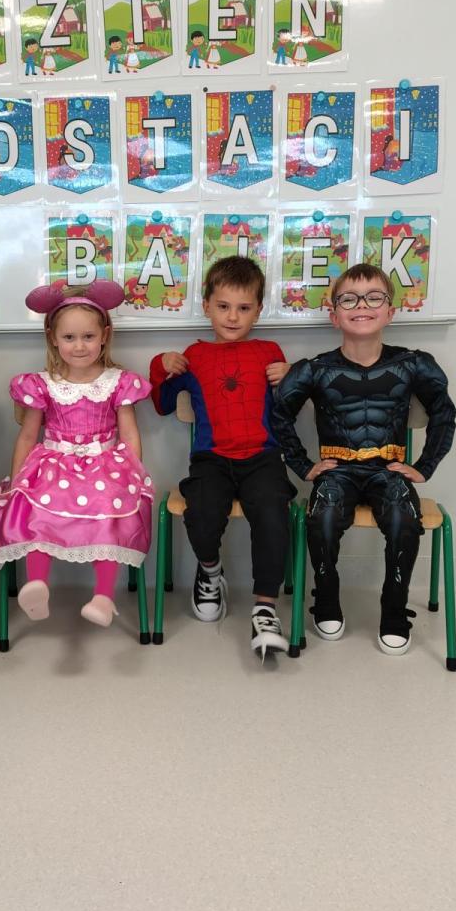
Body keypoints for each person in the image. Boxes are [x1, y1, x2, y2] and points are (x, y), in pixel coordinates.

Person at [272, 263, 456, 654]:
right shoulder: (314, 369)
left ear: (390, 311)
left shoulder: (413, 363)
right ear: (333, 314)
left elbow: (444, 411)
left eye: (374, 297)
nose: (362, 306)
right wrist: (303, 465)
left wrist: (424, 466)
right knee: (322, 518)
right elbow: (278, 415)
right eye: (349, 299)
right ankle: (326, 599)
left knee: (404, 519)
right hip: (337, 471)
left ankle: (394, 609)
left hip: (387, 471)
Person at [149, 257, 294, 660]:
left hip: (263, 457)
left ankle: (265, 608)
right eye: (224, 306)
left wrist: (292, 376)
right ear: (207, 306)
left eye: (244, 308)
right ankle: (211, 572)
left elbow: (290, 405)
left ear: (258, 310)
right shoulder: (195, 355)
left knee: (272, 512)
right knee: (201, 511)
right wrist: (161, 367)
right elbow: (162, 404)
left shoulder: (269, 351)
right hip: (211, 459)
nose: (233, 317)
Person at [0, 281, 153, 628]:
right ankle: (37, 583)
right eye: (69, 337)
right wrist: (17, 480)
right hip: (53, 463)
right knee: (34, 505)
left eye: (88, 337)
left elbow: (129, 433)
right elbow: (28, 435)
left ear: (104, 335)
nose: (79, 346)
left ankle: (103, 596)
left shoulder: (118, 381)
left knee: (109, 507)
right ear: (53, 338)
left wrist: (134, 475)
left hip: (105, 464)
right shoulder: (42, 383)